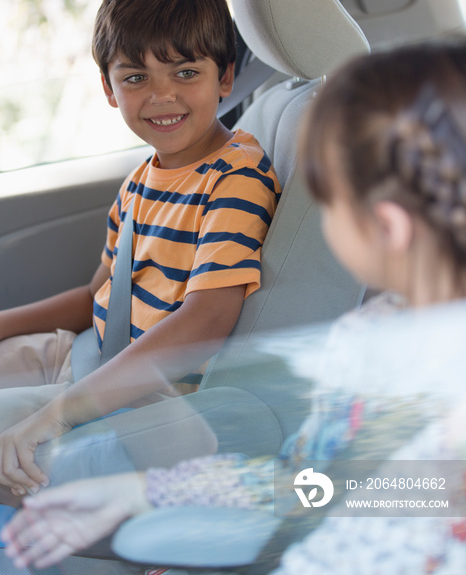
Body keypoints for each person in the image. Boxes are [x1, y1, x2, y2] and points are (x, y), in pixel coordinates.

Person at [4, 38, 466, 573]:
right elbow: (309, 484)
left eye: (328, 206)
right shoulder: (371, 333)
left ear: (388, 228)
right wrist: (143, 494)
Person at [0, 0, 281, 501]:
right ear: (109, 88)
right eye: (135, 78)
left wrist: (61, 413)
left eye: (184, 73)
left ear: (224, 78)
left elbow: (206, 319)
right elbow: (94, 295)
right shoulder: (140, 181)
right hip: (86, 355)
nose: (160, 96)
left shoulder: (236, 178)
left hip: (143, 400)